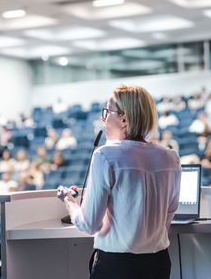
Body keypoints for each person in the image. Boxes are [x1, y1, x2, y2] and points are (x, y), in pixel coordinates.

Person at [58, 85, 181, 279]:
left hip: (117, 266)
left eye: (107, 112)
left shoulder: (105, 155)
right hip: (158, 263)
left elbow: (89, 225)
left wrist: (70, 202)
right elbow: (170, 211)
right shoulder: (170, 157)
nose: (103, 118)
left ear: (123, 119)